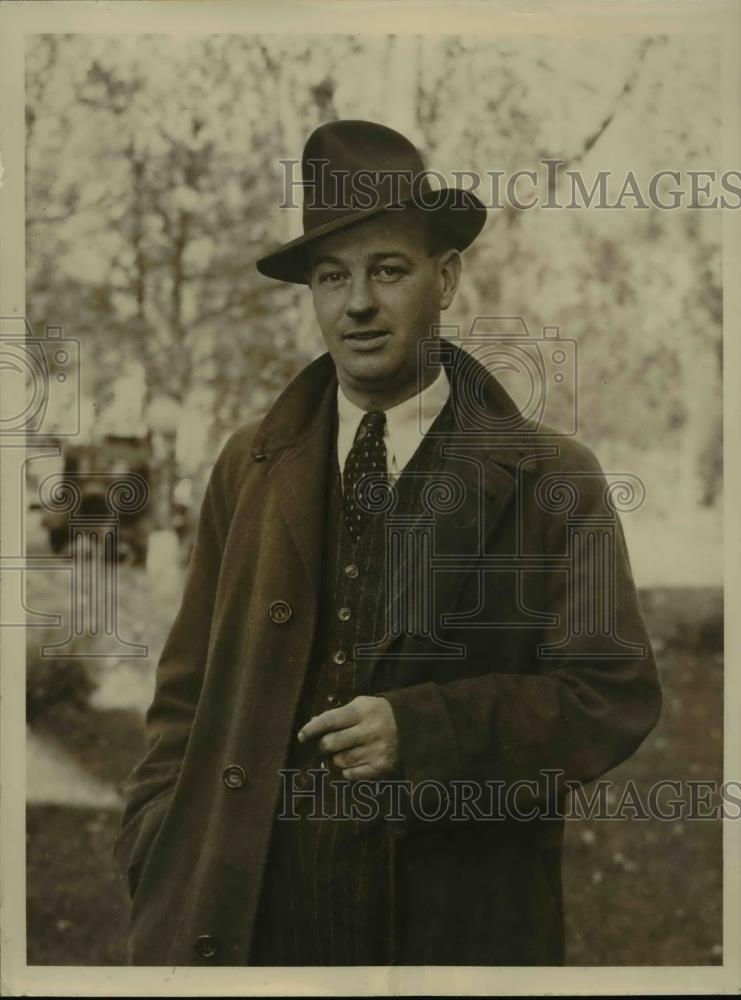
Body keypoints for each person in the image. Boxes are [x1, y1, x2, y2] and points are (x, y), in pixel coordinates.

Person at [115, 120, 662, 966]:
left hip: (448, 932)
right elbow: (186, 695)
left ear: (444, 277)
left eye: (388, 269)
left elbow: (611, 694)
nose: (357, 303)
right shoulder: (247, 464)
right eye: (331, 276)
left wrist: (427, 732)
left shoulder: (554, 476)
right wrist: (156, 838)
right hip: (250, 927)